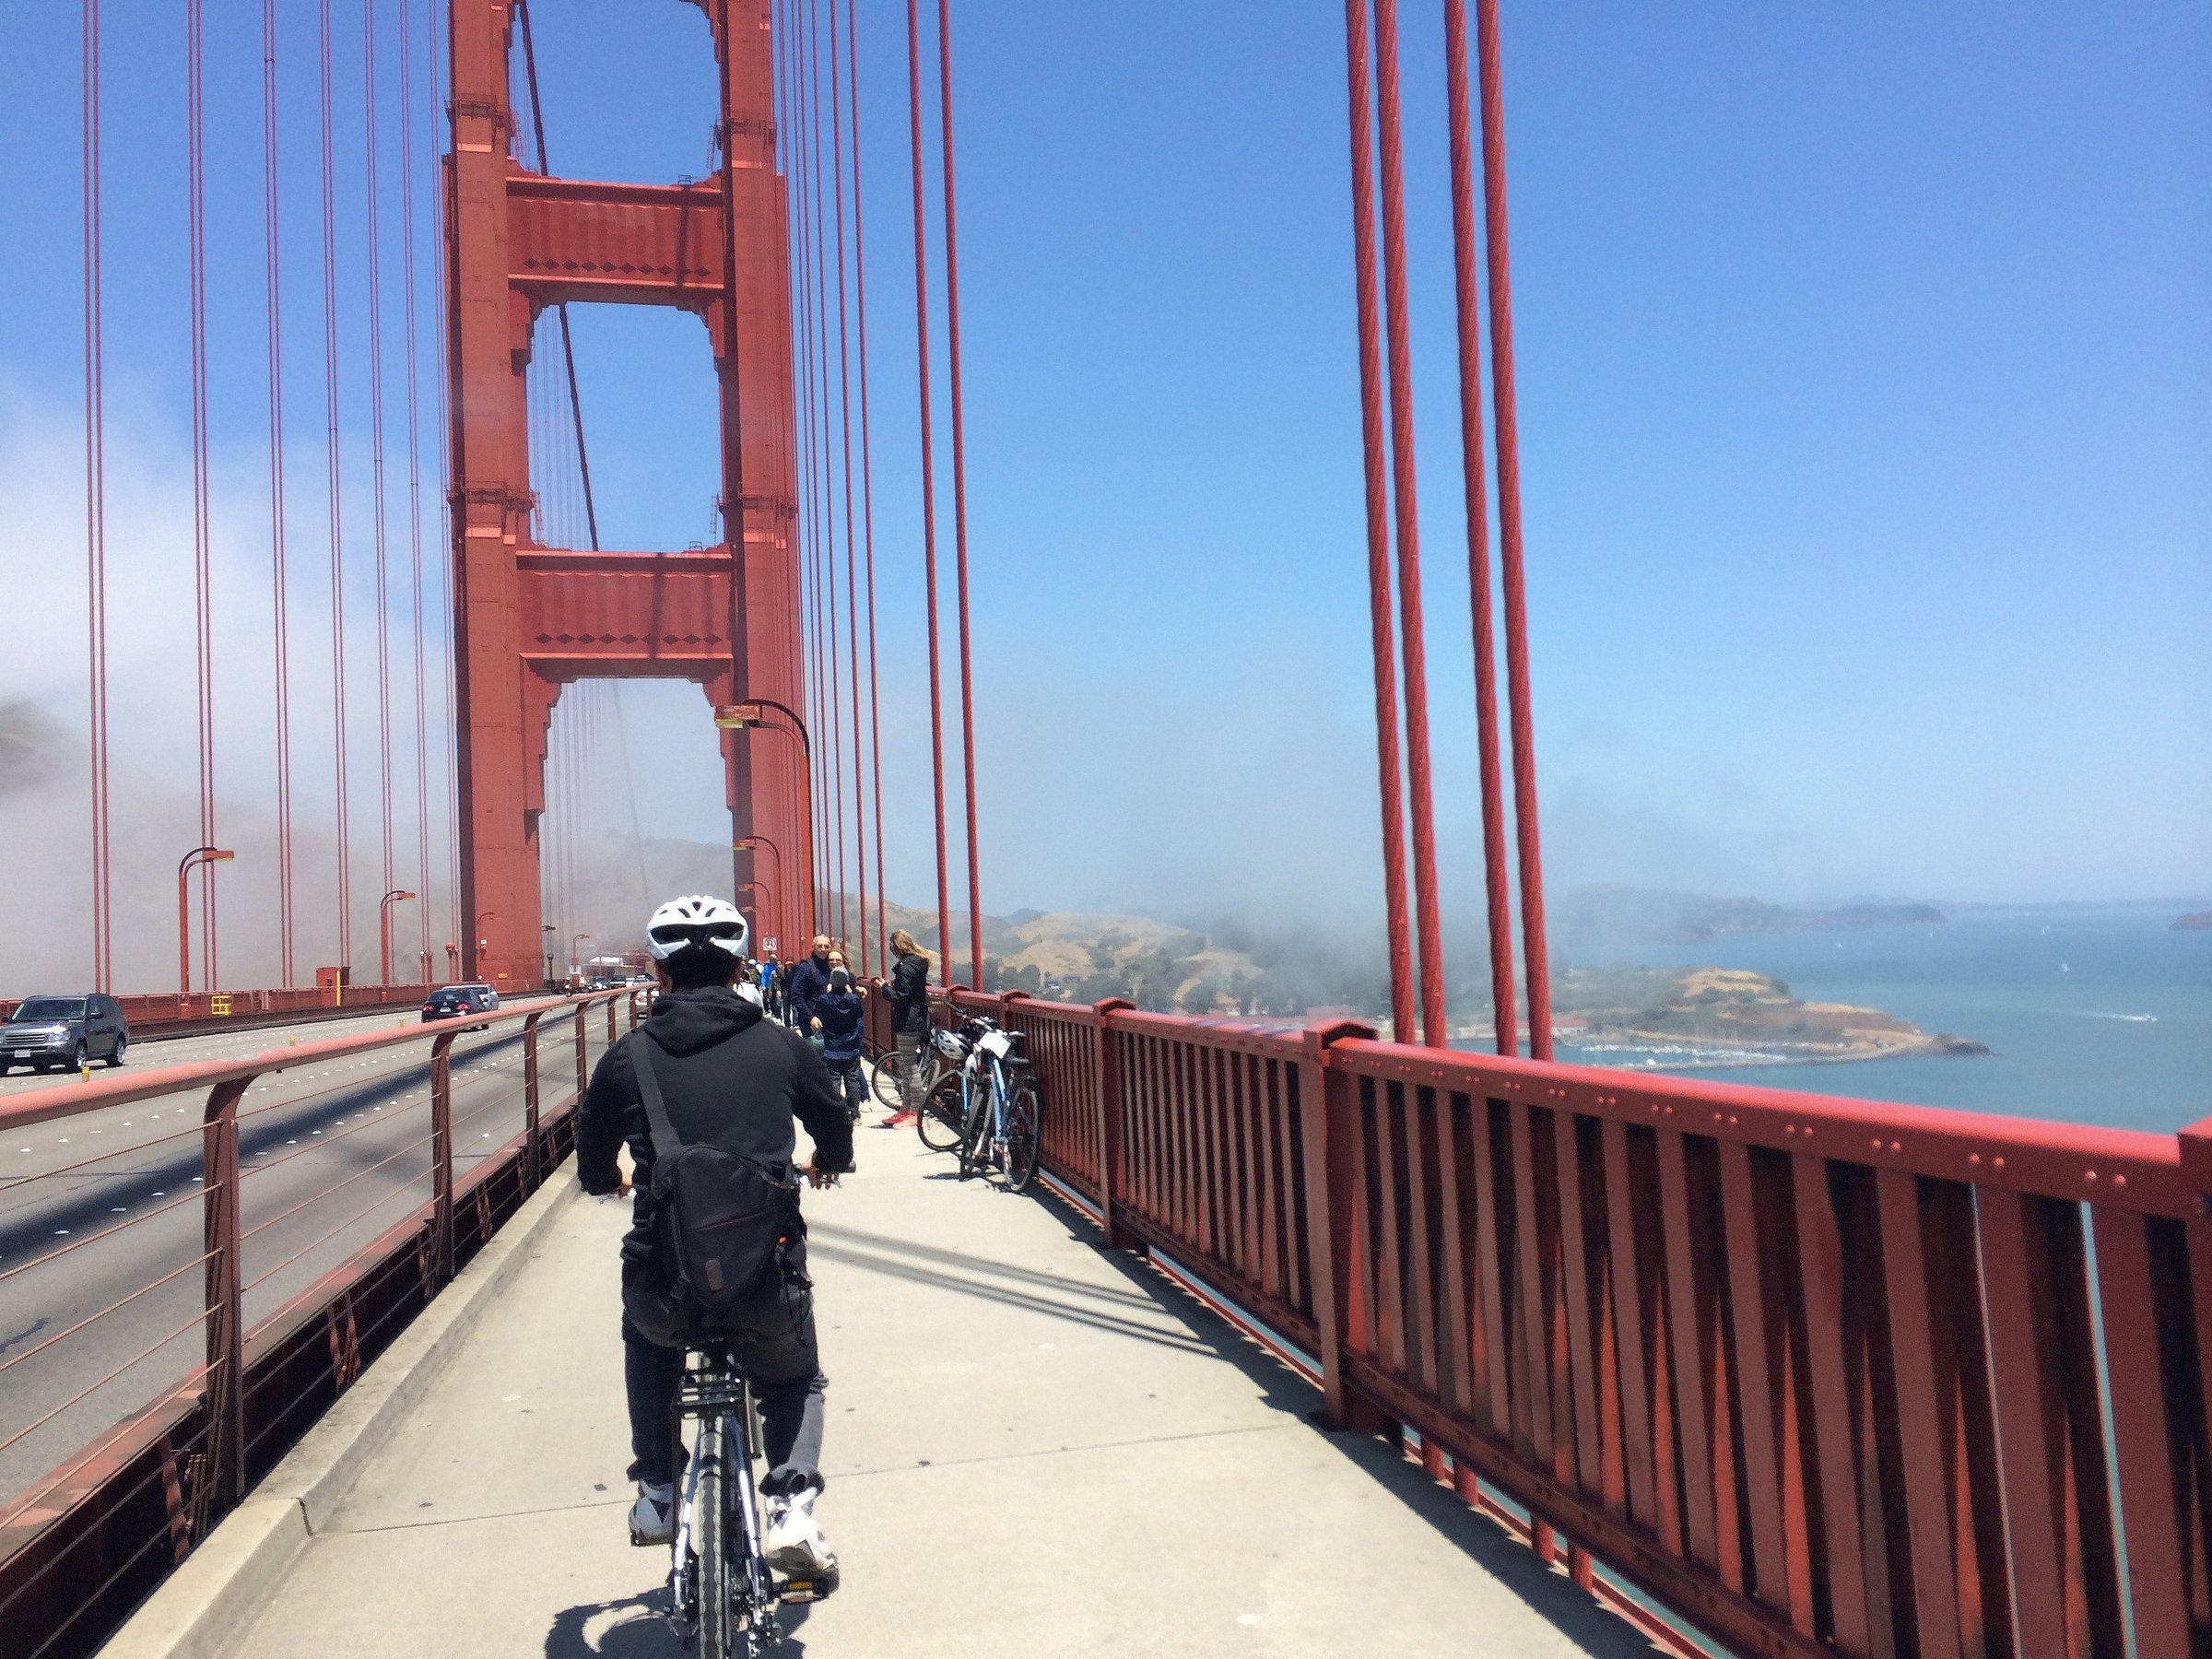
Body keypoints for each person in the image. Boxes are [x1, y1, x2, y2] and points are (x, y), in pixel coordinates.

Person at [576, 894, 854, 1574]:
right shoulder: (782, 1046)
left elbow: (591, 1164)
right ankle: (790, 1509)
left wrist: (611, 1180)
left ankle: (660, 1491)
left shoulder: (627, 1056)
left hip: (665, 1276)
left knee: (647, 1343)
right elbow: (837, 1133)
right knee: (795, 1382)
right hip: (766, 1274)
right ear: (739, 968)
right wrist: (826, 1165)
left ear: (658, 971)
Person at [885, 928, 933, 1129]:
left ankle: (916, 1111)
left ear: (896, 947)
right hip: (916, 1019)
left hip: (908, 1022)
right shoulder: (917, 964)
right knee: (905, 1066)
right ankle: (905, 1110)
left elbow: (901, 997)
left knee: (909, 1067)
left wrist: (885, 988)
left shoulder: (905, 968)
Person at [814, 959, 867, 1120]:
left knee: (834, 1079)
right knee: (852, 1079)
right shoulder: (853, 999)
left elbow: (819, 1013)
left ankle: (835, 1112)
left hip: (832, 1047)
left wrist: (828, 993)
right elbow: (859, 1014)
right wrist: (851, 993)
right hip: (851, 1045)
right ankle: (854, 1112)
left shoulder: (824, 999)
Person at [783, 934, 833, 1034]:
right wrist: (810, 1017)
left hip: (831, 1020)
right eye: (820, 946)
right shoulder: (806, 968)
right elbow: (796, 995)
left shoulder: (831, 965)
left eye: (826, 946)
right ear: (813, 948)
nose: (823, 949)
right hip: (813, 1024)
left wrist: (857, 987)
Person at [759, 951, 781, 1020]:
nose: (772, 960)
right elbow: (764, 976)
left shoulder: (777, 967)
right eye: (771, 959)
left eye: (773, 959)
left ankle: (775, 1013)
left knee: (775, 1000)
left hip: (775, 985)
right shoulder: (766, 967)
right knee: (767, 998)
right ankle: (768, 1010)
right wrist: (763, 985)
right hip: (768, 985)